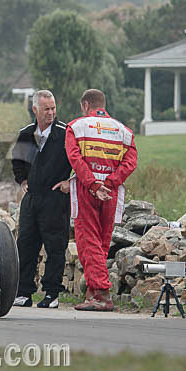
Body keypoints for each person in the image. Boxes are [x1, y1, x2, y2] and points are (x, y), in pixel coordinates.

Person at [66, 89, 138, 311]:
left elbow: (75, 159)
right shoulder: (124, 131)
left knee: (88, 241)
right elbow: (131, 162)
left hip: (87, 189)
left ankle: (102, 294)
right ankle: (93, 293)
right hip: (111, 192)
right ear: (103, 105)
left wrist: (94, 184)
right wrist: (110, 183)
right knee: (103, 242)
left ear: (86, 104)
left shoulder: (76, 127)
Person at [11, 90, 72, 309]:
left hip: (55, 199)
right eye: (46, 109)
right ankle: (23, 292)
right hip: (32, 198)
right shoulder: (26, 134)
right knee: (25, 245)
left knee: (55, 247)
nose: (51, 113)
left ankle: (51, 294)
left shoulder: (66, 134)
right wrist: (22, 180)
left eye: (53, 108)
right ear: (35, 110)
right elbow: (17, 160)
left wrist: (70, 182)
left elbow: (81, 162)